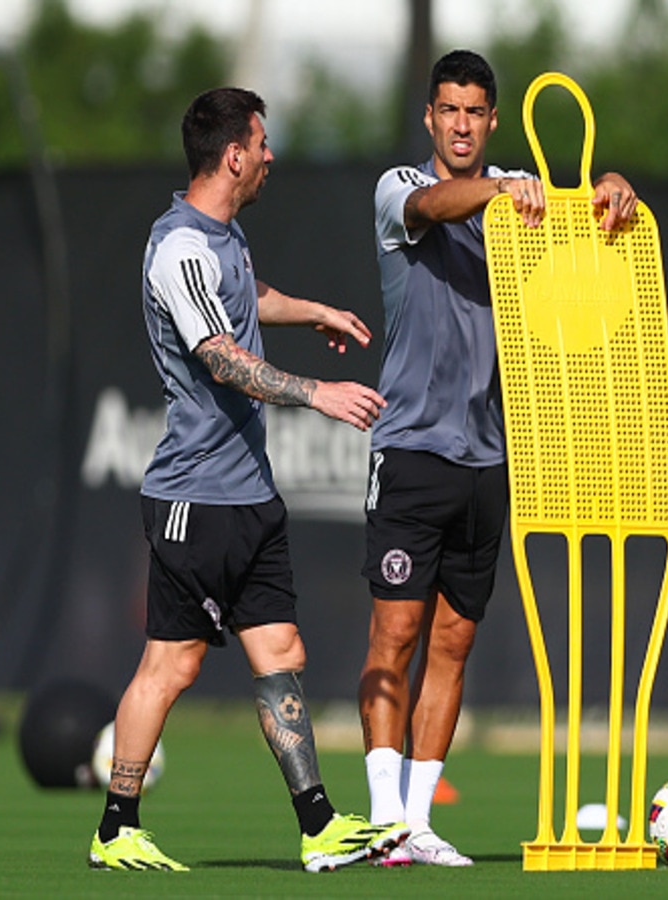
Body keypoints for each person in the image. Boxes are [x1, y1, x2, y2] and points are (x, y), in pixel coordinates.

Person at [88, 87, 409, 874]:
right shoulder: (177, 248)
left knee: (281, 651)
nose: (270, 156)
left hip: (249, 496)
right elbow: (220, 355)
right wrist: (316, 395)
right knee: (174, 665)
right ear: (234, 154)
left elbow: (250, 302)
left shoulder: (227, 239)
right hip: (192, 499)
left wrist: (315, 312)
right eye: (261, 144)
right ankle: (116, 827)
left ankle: (319, 824)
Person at [357, 49, 639, 866]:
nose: (461, 125)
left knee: (453, 643)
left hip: (488, 456)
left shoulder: (522, 196)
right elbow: (437, 204)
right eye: (449, 110)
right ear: (430, 118)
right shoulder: (399, 189)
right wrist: (503, 191)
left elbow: (590, 225)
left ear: (491, 119)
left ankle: (417, 821)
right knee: (396, 636)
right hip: (411, 448)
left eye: (475, 112)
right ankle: (382, 822)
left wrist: (613, 188)